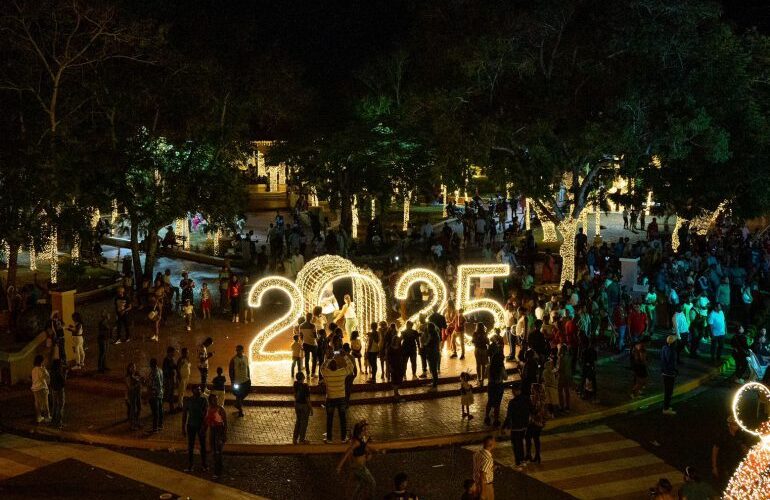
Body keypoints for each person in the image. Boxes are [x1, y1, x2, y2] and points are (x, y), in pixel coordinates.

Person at [337, 420, 376, 499]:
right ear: (361, 430)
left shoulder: (362, 440)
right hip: (359, 468)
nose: (367, 431)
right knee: (372, 483)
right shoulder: (356, 442)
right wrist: (339, 466)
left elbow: (366, 449)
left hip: (359, 467)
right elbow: (347, 453)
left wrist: (371, 452)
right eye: (365, 429)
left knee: (358, 487)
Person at [712, 415, 750, 486]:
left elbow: (744, 448)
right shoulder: (723, 435)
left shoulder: (741, 435)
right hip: (724, 465)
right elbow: (715, 450)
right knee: (727, 484)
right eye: (734, 424)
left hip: (738, 464)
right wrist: (714, 466)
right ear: (729, 424)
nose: (736, 426)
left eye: (737, 424)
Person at [322, 358, 353, 443]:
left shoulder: (326, 373)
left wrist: (327, 359)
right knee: (342, 418)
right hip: (341, 398)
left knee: (330, 419)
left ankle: (329, 439)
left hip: (330, 398)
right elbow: (351, 367)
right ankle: (343, 438)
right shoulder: (341, 372)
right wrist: (345, 357)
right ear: (337, 366)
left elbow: (322, 368)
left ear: (329, 367)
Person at [502, 383, 529, 470]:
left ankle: (518, 462)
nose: (512, 392)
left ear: (516, 391)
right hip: (524, 426)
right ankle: (522, 461)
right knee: (520, 443)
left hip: (515, 427)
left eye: (513, 390)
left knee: (515, 444)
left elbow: (509, 416)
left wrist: (504, 426)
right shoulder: (526, 399)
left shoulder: (512, 403)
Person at [182, 385, 209, 473]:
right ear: (193, 391)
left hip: (200, 425)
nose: (199, 391)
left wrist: (204, 426)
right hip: (191, 425)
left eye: (200, 389)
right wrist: (183, 427)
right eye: (197, 389)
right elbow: (184, 414)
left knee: (203, 446)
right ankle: (190, 465)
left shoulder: (203, 400)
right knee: (190, 446)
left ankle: (204, 464)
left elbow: (206, 415)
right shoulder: (188, 400)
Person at [205, 393, 227, 480]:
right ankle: (218, 468)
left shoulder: (221, 409)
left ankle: (217, 471)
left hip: (219, 431)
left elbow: (225, 423)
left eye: (216, 399)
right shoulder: (209, 409)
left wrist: (224, 435)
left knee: (218, 451)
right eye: (214, 399)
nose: (216, 401)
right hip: (212, 431)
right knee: (214, 451)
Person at [525, 383, 547, 464]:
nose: (531, 390)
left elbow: (536, 410)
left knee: (529, 437)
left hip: (535, 421)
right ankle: (536, 455)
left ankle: (530, 454)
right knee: (535, 438)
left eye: (532, 388)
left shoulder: (536, 399)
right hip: (538, 421)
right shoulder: (541, 398)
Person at [228, 344, 251, 417]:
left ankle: (238, 404)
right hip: (238, 381)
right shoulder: (233, 359)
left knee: (245, 393)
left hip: (245, 380)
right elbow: (231, 371)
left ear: (242, 350)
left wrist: (249, 377)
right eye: (237, 350)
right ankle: (240, 411)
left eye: (239, 350)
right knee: (238, 395)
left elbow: (247, 368)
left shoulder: (245, 358)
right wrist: (232, 382)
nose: (238, 351)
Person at [472, 435, 496, 499]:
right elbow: (482, 475)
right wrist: (483, 493)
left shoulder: (477, 453)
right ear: (492, 445)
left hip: (475, 484)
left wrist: (491, 469)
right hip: (485, 486)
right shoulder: (488, 459)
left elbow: (479, 467)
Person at [293, 371, 312, 444]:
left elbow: (295, 395)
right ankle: (301, 439)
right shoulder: (305, 386)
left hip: (297, 405)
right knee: (304, 423)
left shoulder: (295, 384)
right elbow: (307, 399)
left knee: (298, 421)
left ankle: (295, 438)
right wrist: (311, 408)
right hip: (304, 406)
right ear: (303, 377)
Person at [31, 355, 51, 423]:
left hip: (35, 388)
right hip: (42, 388)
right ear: (41, 361)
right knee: (45, 403)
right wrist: (45, 370)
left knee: (37, 403)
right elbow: (47, 378)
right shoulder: (41, 370)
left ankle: (38, 417)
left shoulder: (33, 369)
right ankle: (47, 417)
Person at [661, 335, 678, 415]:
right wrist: (674, 371)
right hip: (669, 373)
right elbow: (670, 362)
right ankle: (666, 408)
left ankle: (666, 407)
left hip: (664, 372)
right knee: (669, 392)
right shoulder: (672, 351)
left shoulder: (664, 347)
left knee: (667, 391)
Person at [147, 358, 164, 432]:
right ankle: (160, 425)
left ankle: (155, 428)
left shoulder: (153, 373)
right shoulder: (160, 370)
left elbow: (151, 385)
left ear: (151, 364)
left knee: (155, 412)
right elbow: (162, 382)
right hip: (160, 393)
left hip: (154, 394)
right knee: (160, 410)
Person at [299, 313, 318, 377]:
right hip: (313, 344)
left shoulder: (301, 325)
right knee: (314, 359)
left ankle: (307, 374)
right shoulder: (313, 325)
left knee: (306, 359)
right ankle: (313, 373)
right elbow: (315, 336)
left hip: (305, 343)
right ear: (311, 317)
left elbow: (301, 336)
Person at [49, 358, 66, 428]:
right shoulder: (58, 373)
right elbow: (63, 382)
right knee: (61, 405)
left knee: (55, 405)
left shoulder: (51, 372)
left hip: (53, 389)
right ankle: (59, 422)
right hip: (59, 390)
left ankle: (53, 420)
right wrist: (65, 374)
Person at [125, 362, 142, 430]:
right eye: (132, 367)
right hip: (131, 395)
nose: (133, 368)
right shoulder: (128, 377)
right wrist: (138, 384)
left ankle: (136, 421)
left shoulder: (136, 374)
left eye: (134, 367)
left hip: (137, 394)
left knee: (139, 408)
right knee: (133, 409)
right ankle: (132, 424)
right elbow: (130, 387)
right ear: (129, 369)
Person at [472, 323, 489, 388]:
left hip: (477, 349)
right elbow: (487, 342)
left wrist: (476, 342)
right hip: (484, 350)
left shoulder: (475, 333)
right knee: (483, 365)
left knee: (478, 364)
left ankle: (478, 378)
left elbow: (473, 341)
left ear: (477, 327)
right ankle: (482, 379)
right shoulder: (485, 333)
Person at [162, 346, 177, 414]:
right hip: (168, 379)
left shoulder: (171, 359)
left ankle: (171, 408)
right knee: (167, 394)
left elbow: (174, 366)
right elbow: (165, 371)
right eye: (173, 352)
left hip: (171, 378)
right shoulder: (166, 360)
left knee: (171, 394)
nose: (174, 353)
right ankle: (160, 407)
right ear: (169, 352)